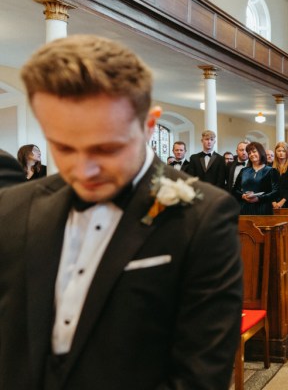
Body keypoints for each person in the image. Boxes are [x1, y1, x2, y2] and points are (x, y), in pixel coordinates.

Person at [0, 35, 243, 390]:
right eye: (64, 147)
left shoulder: (202, 217)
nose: (84, 170)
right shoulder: (14, 207)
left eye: (106, 148)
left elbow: (198, 376)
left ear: (148, 125)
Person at [233, 142, 279, 215]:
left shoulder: (271, 171)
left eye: (254, 152)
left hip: (263, 209)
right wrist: (243, 196)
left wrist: (259, 198)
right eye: (249, 153)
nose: (251, 154)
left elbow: (276, 192)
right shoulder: (244, 171)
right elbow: (235, 190)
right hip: (245, 209)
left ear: (261, 152)